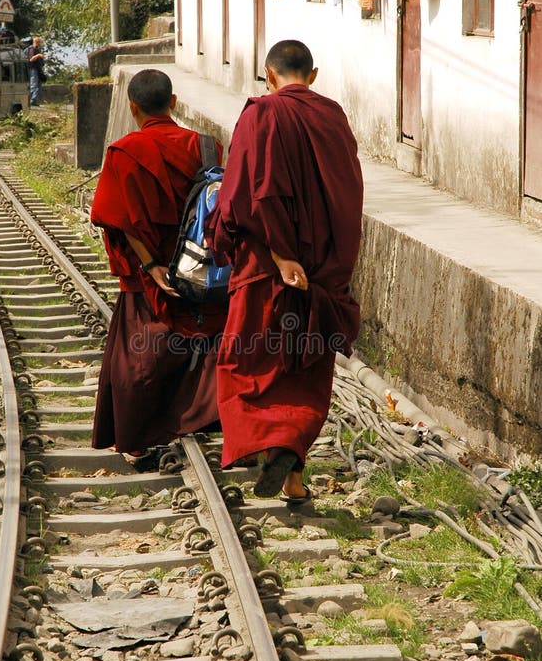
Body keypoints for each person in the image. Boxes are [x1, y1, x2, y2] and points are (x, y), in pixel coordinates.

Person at [205, 40, 363, 504]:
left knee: (245, 363)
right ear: (311, 75)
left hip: (266, 267)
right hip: (321, 272)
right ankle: (293, 477)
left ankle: (267, 444)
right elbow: (350, 195)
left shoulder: (261, 114)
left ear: (269, 76)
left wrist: (277, 253)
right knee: (305, 370)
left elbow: (247, 194)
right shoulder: (333, 117)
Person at [91, 69, 226, 459]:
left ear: (132, 107)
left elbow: (119, 219)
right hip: (200, 269)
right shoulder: (206, 147)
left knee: (141, 356)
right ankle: (199, 421)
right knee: (207, 346)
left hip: (150, 273)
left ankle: (136, 440)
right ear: (174, 102)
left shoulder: (123, 152)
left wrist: (150, 265)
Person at [27, 36, 45, 106]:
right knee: (33, 85)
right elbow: (31, 59)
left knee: (38, 86)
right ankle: (30, 99)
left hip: (38, 69)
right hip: (32, 69)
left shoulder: (37, 49)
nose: (39, 44)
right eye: (38, 42)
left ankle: (34, 100)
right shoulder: (31, 49)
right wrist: (38, 55)